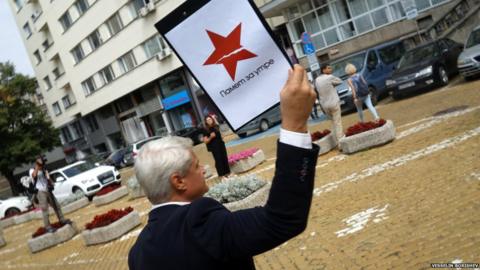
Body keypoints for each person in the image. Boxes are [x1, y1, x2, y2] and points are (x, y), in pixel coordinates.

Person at [128, 65, 320, 270]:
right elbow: (281, 219)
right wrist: (295, 124)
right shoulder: (199, 222)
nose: (203, 171)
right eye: (196, 166)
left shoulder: (137, 254)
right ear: (178, 181)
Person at [29, 156, 71, 232]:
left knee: (56, 205)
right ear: (36, 162)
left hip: (48, 190)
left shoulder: (44, 170)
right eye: (39, 160)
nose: (41, 162)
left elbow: (48, 179)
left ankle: (62, 220)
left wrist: (51, 183)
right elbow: (34, 175)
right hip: (40, 191)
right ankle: (48, 227)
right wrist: (38, 166)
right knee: (45, 209)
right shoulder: (32, 170)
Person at [315, 64, 344, 141]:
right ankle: (340, 141)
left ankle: (335, 140)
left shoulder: (317, 80)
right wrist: (333, 85)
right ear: (323, 70)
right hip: (334, 102)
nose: (330, 69)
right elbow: (340, 81)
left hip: (324, 105)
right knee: (337, 122)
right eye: (328, 68)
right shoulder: (330, 77)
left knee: (332, 122)